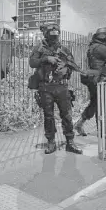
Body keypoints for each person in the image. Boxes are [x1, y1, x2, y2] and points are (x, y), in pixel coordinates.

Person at [29, 23, 82, 155]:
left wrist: (65, 65)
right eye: (51, 36)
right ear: (46, 35)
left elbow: (74, 65)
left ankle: (70, 142)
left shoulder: (63, 48)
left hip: (62, 86)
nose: (54, 38)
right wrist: (46, 58)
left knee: (67, 115)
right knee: (49, 116)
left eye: (56, 35)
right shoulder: (39, 48)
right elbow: (32, 62)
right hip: (46, 87)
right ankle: (51, 142)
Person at [74, 27, 106, 139]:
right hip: (101, 80)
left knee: (94, 103)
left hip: (93, 79)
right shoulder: (103, 48)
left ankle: (79, 124)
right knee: (101, 105)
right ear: (103, 36)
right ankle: (102, 131)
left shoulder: (92, 47)